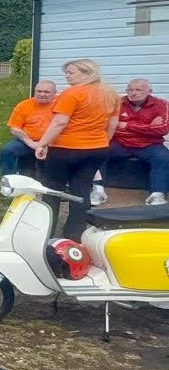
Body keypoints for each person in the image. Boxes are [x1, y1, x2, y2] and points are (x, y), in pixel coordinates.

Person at [32, 60, 120, 241]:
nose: (67, 75)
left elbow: (59, 122)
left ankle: (45, 231)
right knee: (81, 190)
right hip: (96, 149)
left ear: (87, 73)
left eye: (71, 72)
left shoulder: (72, 93)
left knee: (53, 189)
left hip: (66, 149)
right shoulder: (110, 94)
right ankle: (75, 233)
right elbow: (112, 123)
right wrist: (103, 141)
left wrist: (42, 143)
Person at [89, 78, 169, 207]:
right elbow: (107, 126)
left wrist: (126, 126)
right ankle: (98, 190)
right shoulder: (117, 103)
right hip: (121, 143)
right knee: (97, 152)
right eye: (130, 89)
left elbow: (162, 129)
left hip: (149, 144)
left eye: (139, 90)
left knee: (164, 158)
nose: (134, 93)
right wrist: (148, 127)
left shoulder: (161, 104)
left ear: (150, 91)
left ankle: (157, 194)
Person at [0, 81, 57, 175]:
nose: (42, 94)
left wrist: (45, 144)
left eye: (46, 92)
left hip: (55, 142)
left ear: (55, 92)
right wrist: (32, 144)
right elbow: (14, 128)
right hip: (28, 141)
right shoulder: (24, 105)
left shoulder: (62, 105)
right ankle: (8, 182)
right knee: (7, 151)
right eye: (39, 91)